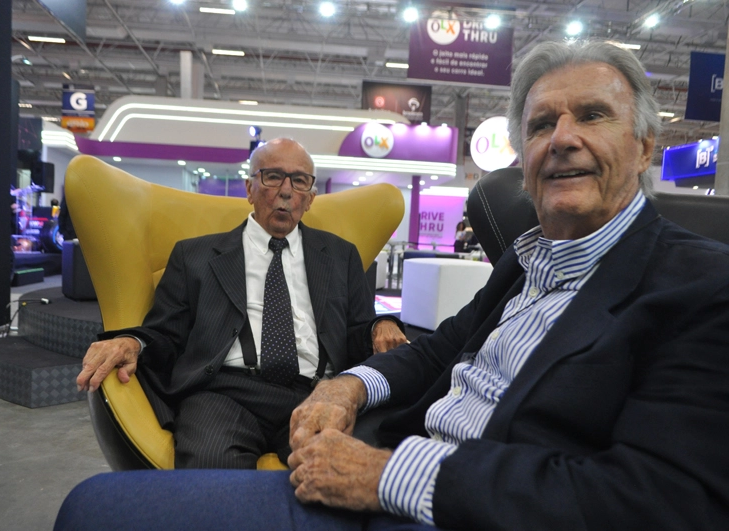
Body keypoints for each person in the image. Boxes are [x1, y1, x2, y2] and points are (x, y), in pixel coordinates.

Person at [55, 41, 729, 530]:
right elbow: (443, 350)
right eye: (542, 124)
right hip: (237, 395)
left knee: (96, 511)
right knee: (157, 483)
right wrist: (132, 341)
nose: (562, 139)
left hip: (435, 488)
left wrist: (372, 397)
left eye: (593, 115)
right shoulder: (527, 261)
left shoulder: (700, 288)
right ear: (250, 185)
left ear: (645, 147)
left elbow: (664, 502)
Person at [75, 137, 405, 469]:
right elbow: (166, 333)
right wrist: (132, 341)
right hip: (225, 393)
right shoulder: (195, 256)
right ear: (249, 188)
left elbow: (359, 329)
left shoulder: (339, 256)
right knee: (212, 469)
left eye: (300, 180)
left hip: (319, 392)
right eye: (273, 176)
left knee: (344, 472)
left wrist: (382, 325)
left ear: (310, 198)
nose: (286, 191)